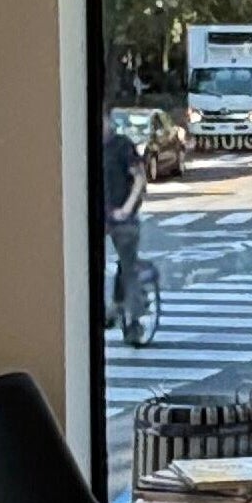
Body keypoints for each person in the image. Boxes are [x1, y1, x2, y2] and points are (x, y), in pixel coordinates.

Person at [103, 107, 147, 334]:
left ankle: (134, 320)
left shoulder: (122, 145)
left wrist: (127, 209)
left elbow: (139, 178)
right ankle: (107, 310)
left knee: (128, 266)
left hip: (122, 215)